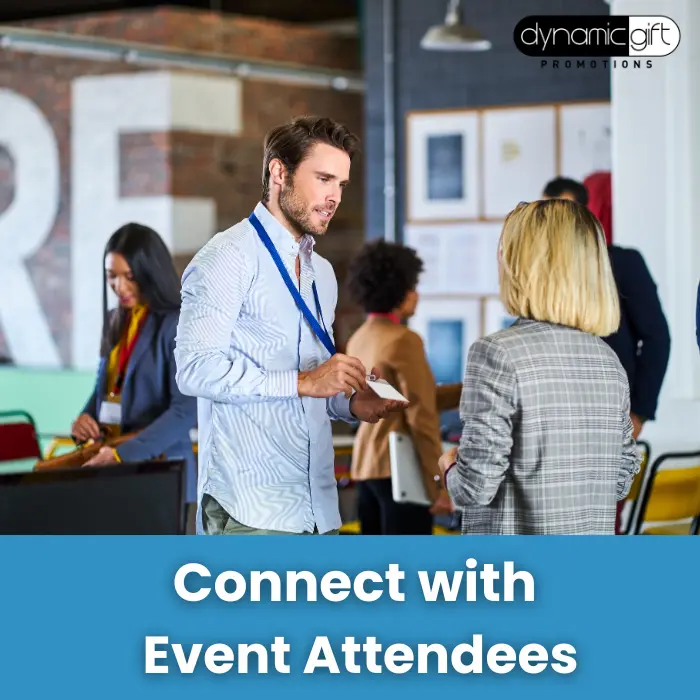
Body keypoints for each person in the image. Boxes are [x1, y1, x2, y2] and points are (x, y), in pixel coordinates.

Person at [174, 116, 405, 536]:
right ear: (279, 172)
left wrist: (350, 405)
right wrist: (303, 382)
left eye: (341, 184)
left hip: (318, 512)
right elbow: (195, 370)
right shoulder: (227, 257)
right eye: (323, 179)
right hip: (250, 512)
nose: (334, 196)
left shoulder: (323, 273)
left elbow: (312, 390)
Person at [438, 199, 641, 535]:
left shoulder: (495, 353)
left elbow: (473, 489)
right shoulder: (609, 362)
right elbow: (620, 479)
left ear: (520, 264)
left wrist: (450, 468)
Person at [71, 223, 198, 505]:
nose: (120, 287)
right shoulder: (115, 319)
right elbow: (103, 390)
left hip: (161, 473)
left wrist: (122, 454)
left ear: (150, 273)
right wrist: (85, 417)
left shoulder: (177, 324)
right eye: (111, 276)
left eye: (130, 276)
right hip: (113, 467)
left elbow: (185, 411)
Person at [543, 173, 671, 439]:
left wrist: (639, 412)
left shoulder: (622, 263)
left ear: (584, 214)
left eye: (562, 213)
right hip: (552, 413)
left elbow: (656, 337)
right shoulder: (541, 271)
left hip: (610, 412)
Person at [345, 241, 453, 535]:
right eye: (413, 285)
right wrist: (438, 483)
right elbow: (421, 417)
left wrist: (466, 391)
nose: (416, 294)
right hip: (401, 473)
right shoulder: (404, 340)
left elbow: (399, 399)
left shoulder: (361, 338)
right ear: (399, 291)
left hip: (367, 469)